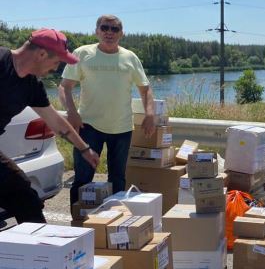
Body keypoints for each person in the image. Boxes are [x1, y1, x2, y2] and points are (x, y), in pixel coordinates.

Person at [1, 29, 99, 223]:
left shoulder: (32, 86)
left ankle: (42, 249)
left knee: (25, 196)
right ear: (42, 54)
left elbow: (55, 120)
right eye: (56, 62)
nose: (55, 69)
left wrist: (84, 149)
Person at [59, 15, 156, 205]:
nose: (109, 33)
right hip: (88, 126)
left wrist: (150, 114)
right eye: (104, 28)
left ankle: (113, 224)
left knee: (118, 179)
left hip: (121, 128)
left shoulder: (130, 57)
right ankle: (77, 226)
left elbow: (145, 89)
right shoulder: (82, 54)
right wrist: (71, 113)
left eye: (115, 29)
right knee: (82, 179)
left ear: (122, 33)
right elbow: (64, 87)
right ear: (96, 31)